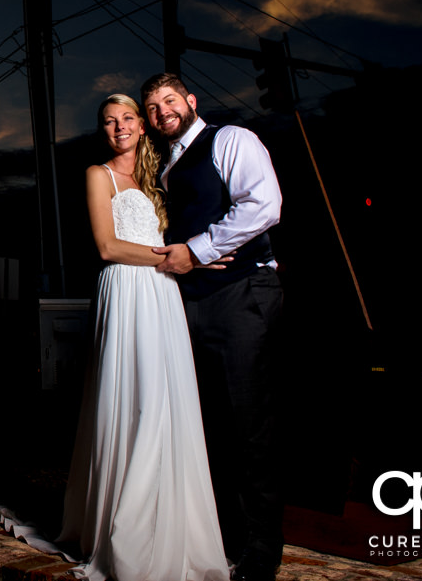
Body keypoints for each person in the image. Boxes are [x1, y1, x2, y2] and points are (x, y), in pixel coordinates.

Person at [57, 93, 229, 581]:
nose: (119, 127)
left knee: (168, 404)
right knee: (133, 401)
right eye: (109, 121)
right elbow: (108, 246)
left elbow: (191, 228)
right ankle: (124, 530)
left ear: (142, 124)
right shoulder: (99, 174)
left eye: (128, 117)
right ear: (102, 130)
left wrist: (202, 253)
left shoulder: (161, 177)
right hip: (127, 290)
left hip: (164, 296)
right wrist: (180, 258)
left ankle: (170, 526)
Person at [140, 73, 285, 581]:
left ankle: (263, 549)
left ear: (191, 101)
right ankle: (224, 535)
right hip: (192, 304)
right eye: (152, 108)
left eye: (169, 101)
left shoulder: (230, 139)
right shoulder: (165, 167)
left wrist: (197, 250)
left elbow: (264, 206)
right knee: (209, 427)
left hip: (243, 295)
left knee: (250, 426)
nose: (162, 113)